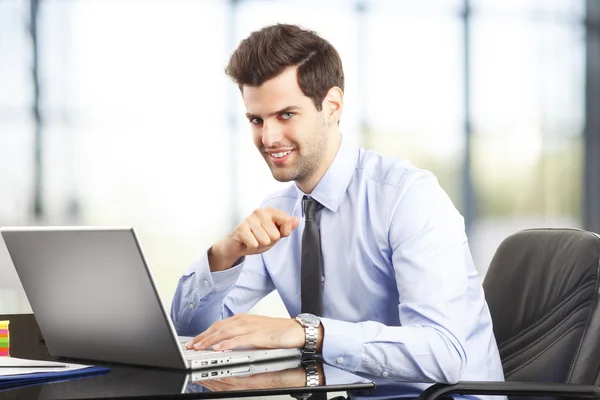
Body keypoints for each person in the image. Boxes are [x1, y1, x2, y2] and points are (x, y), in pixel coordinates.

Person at [170, 23, 504, 390]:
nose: (268, 137)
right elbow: (195, 340)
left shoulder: (408, 198)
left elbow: (444, 356)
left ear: (331, 106)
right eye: (256, 119)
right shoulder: (278, 212)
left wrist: (308, 333)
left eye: (285, 115)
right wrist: (222, 257)